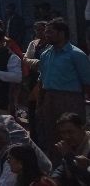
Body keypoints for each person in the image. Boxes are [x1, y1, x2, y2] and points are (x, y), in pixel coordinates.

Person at [35, 19, 90, 154]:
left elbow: (87, 82)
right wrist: (39, 103)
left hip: (70, 99)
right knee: (51, 134)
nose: (46, 35)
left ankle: (76, 167)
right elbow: (42, 80)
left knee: (72, 134)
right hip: (48, 98)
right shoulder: (45, 54)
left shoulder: (76, 54)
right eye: (46, 32)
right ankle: (55, 168)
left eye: (50, 32)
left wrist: (81, 102)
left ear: (62, 33)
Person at [50, 112, 90, 185]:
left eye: (70, 132)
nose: (66, 136)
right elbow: (62, 167)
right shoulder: (71, 145)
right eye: (63, 133)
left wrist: (68, 156)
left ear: (82, 128)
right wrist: (53, 180)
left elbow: (85, 179)